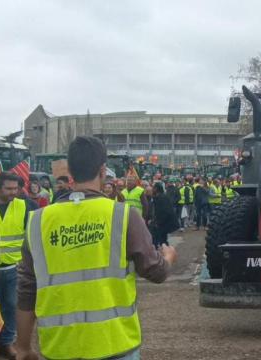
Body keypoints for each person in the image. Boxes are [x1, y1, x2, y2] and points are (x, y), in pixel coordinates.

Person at [15, 136, 177, 360]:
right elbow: (155, 271)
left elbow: (26, 288)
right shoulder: (122, 215)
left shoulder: (37, 222)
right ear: (103, 172)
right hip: (114, 344)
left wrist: (22, 346)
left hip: (60, 347)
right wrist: (168, 257)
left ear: (70, 172)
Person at [0, 172, 35, 359]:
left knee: (12, 308)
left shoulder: (24, 206)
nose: (13, 192)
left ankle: (6, 344)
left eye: (15, 188)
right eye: (8, 188)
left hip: (15, 269)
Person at [149, 182, 178, 249]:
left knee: (161, 240)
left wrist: (158, 222)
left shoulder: (161, 198)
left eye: (153, 188)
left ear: (156, 189)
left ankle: (165, 252)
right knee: (162, 240)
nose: (152, 189)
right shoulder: (162, 196)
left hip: (163, 222)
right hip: (162, 222)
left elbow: (164, 211)